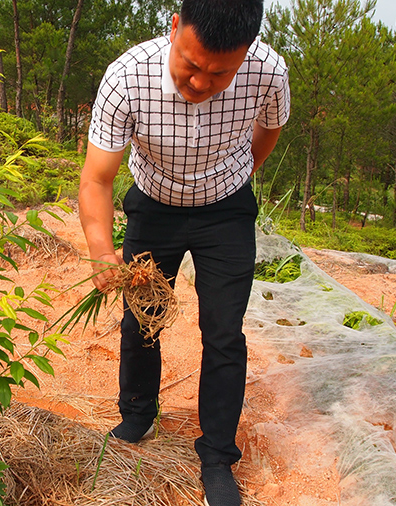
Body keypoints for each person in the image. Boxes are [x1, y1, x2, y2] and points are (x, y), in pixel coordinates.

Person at [78, 0, 290, 504]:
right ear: (175, 26)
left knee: (223, 332)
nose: (199, 84)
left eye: (219, 74)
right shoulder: (128, 77)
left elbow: (270, 129)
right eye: (191, 66)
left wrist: (240, 176)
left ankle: (217, 456)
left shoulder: (269, 72)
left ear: (246, 54)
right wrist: (101, 252)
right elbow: (96, 177)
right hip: (154, 207)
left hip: (226, 212)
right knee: (142, 318)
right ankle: (136, 417)